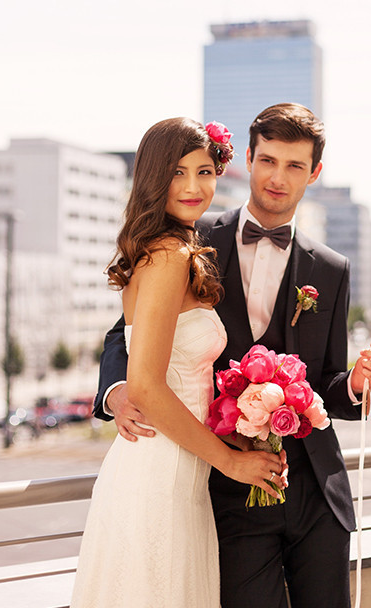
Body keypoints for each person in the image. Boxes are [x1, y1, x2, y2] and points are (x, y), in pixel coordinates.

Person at [95, 103, 371, 608]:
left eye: (295, 165)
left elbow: (326, 381)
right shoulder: (190, 239)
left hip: (316, 496)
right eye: (268, 161)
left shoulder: (333, 269)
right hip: (225, 489)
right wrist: (119, 390)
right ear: (248, 161)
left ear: (314, 173)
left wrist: (359, 384)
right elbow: (122, 336)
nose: (279, 177)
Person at [71, 117, 285, 608]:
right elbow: (145, 386)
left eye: (205, 171)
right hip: (157, 479)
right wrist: (231, 461)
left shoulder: (172, 247)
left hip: (180, 476)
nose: (193, 186)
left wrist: (241, 425)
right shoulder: (168, 254)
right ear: (152, 177)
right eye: (177, 172)